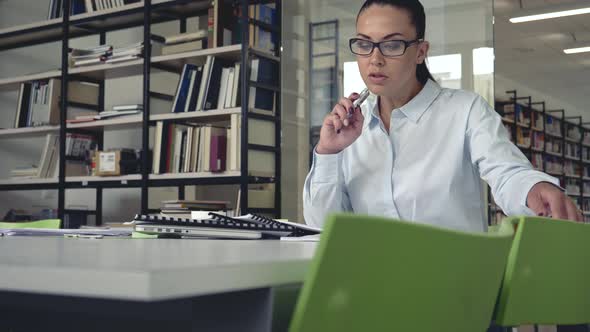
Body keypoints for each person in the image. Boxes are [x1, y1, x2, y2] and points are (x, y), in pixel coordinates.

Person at [303, 0, 583, 231]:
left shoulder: (465, 111)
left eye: (392, 45)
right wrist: (328, 153)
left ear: (420, 52)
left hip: (453, 285)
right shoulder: (351, 128)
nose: (375, 59)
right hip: (371, 281)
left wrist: (535, 187)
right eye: (365, 44)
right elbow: (322, 226)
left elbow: (506, 172)